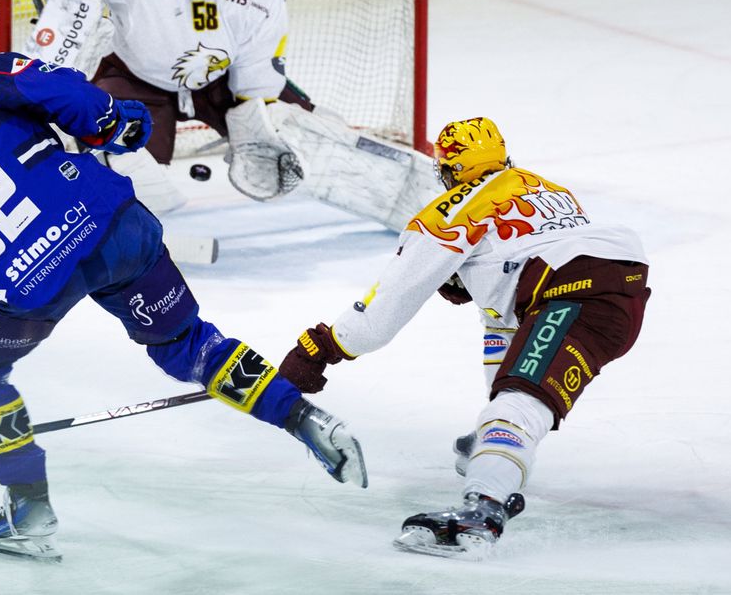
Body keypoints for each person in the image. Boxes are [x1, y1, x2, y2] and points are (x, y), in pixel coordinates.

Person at [0, 26, 367, 562]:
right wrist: (114, 122)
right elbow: (59, 92)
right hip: (113, 227)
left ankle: (28, 506)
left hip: (31, 280)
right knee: (188, 344)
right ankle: (303, 418)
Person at [276, 117, 651, 558]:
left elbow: (384, 310)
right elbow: (508, 321)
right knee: (511, 380)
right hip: (619, 286)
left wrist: (320, 349)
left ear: (449, 170)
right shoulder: (544, 187)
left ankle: (484, 509)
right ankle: (498, 445)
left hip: (574, 297)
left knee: (520, 404)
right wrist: (489, 432)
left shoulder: (451, 211)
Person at [24, 0, 436, 231]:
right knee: (115, 148)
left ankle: (418, 200)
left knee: (297, 131)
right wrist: (72, 6)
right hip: (135, 76)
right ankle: (110, 228)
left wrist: (256, 111)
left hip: (219, 80)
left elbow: (265, 45)